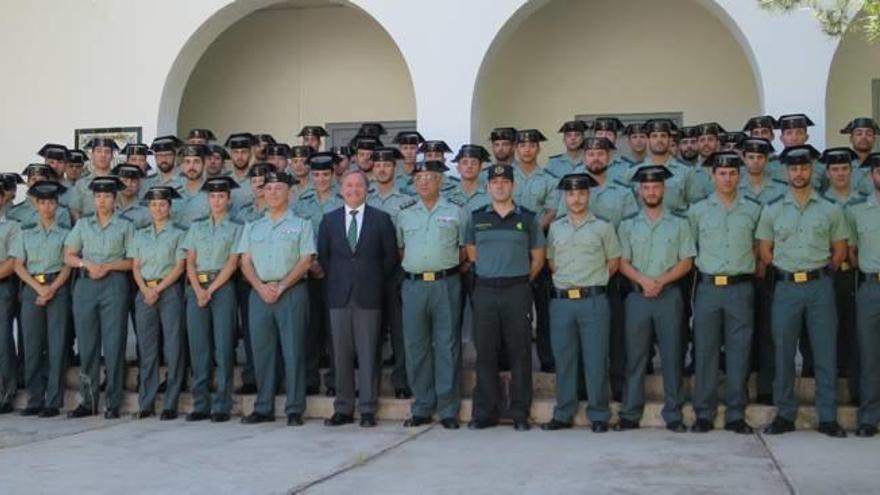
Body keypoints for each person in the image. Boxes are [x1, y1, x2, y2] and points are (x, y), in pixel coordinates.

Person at [757, 145, 849, 438]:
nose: (799, 173)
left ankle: (828, 417)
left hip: (819, 286)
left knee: (824, 351)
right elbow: (764, 250)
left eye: (804, 168)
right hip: (786, 288)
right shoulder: (772, 209)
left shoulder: (829, 209)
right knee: (783, 352)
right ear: (787, 172)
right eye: (794, 169)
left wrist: (817, 272)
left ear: (811, 170)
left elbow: (840, 251)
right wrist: (786, 268)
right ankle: (785, 414)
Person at [616, 165, 695, 432]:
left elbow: (686, 261)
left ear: (664, 189)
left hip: (668, 296)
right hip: (637, 298)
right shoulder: (627, 225)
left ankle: (673, 413)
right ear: (640, 191)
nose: (651, 191)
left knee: (673, 356)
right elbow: (622, 262)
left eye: (656, 186)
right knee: (635, 357)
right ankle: (630, 412)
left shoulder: (679, 223)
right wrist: (643, 281)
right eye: (646, 187)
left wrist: (660, 281)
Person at [466, 164, 545, 431]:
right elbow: (472, 254)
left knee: (520, 352)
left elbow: (538, 258)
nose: (499, 186)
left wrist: (518, 279)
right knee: (485, 353)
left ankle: (520, 412)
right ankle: (485, 412)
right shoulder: (477, 218)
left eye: (505, 182)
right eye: (495, 182)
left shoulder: (528, 218)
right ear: (487, 186)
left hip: (517, 291)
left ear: (513, 186)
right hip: (486, 291)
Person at [687, 152, 762, 434]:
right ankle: (704, 414)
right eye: (722, 173)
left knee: (739, 352)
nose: (727, 178)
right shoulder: (698, 210)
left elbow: (759, 246)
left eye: (732, 173)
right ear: (712, 176)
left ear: (739, 176)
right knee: (705, 351)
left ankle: (735, 414)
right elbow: (691, 247)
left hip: (741, 288)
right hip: (708, 288)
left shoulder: (753, 209)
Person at [540, 173, 620, 433]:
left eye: (582, 193)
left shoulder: (603, 227)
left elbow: (614, 262)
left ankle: (598, 413)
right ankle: (563, 412)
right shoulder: (556, 227)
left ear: (589, 195)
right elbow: (551, 262)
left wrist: (593, 282)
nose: (576, 198)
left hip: (593, 301)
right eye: (571, 194)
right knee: (565, 359)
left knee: (596, 359)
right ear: (565, 197)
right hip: (563, 302)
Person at [319, 170, 397, 428]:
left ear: (367, 189)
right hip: (338, 296)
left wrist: (369, 279)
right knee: (340, 355)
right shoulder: (328, 221)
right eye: (349, 185)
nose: (353, 190)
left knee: (368, 354)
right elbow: (324, 258)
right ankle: (342, 408)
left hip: (369, 296)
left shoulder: (382, 219)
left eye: (359, 186)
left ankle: (367, 409)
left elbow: (389, 259)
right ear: (341, 189)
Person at [238, 171, 315, 426]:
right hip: (259, 294)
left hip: (291, 292)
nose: (273, 193)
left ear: (289, 193)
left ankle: (294, 407)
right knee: (262, 352)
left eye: (278, 188)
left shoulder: (302, 224)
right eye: (268, 189)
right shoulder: (253, 225)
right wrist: (260, 287)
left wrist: (281, 286)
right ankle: (263, 406)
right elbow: (245, 261)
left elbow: (306, 261)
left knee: (293, 351)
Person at [396, 161, 467, 429]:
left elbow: (464, 250)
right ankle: (422, 406)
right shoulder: (404, 214)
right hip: (414, 286)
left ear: (441, 181)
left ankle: (448, 408)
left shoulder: (456, 212)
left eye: (430, 177)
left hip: (445, 283)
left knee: (447, 345)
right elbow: (400, 249)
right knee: (416, 346)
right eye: (419, 178)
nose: (424, 182)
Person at [63, 176, 134, 419]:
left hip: (114, 283)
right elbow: (69, 256)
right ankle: (88, 399)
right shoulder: (83, 224)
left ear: (115, 200)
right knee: (87, 345)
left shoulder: (125, 225)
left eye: (107, 196)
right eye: (98, 196)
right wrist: (87, 264)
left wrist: (110, 266)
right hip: (86, 284)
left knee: (114, 344)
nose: (102, 201)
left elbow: (133, 260)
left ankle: (113, 401)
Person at [180, 177, 242, 423]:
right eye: (212, 196)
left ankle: (222, 404)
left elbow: (232, 262)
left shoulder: (237, 227)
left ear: (228, 200)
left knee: (223, 347)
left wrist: (211, 289)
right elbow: (190, 261)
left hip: (222, 287)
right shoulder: (197, 227)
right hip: (197, 288)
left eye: (221, 196)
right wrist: (197, 289)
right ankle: (200, 403)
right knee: (199, 348)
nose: (216, 200)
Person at [11, 180, 70, 417]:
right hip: (32, 289)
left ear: (57, 205)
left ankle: (53, 400)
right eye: (42, 202)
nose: (47, 207)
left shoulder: (65, 233)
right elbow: (18, 265)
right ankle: (35, 398)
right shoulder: (25, 233)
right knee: (32, 345)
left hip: (57, 287)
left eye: (51, 202)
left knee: (56, 345)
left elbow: (67, 266)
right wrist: (38, 289)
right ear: (36, 204)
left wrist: (51, 289)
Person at [128, 186, 187, 420]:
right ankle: (147, 401)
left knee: (173, 347)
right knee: (148, 349)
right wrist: (145, 289)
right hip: (145, 292)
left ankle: (171, 402)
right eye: (153, 204)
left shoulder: (179, 233)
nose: (158, 208)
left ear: (170, 207)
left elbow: (180, 266)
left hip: (169, 289)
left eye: (162, 204)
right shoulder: (140, 234)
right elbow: (135, 266)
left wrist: (158, 289)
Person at [846, 152, 880, 437]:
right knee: (869, 355)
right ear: (872, 176)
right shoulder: (858, 210)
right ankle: (868, 417)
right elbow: (852, 252)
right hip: (871, 287)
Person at [0, 180, 21, 415]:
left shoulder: (12, 227)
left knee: (3, 341)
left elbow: (12, 262)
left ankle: (6, 392)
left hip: (2, 286)